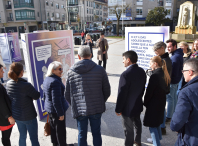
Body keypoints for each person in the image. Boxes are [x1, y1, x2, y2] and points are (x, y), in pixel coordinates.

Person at [65, 46, 111, 146]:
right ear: (90, 55)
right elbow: (107, 90)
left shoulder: (70, 72)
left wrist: (75, 104)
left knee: (81, 134)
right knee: (96, 133)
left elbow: (67, 94)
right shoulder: (100, 69)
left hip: (80, 110)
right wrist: (101, 101)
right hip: (96, 108)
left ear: (78, 56)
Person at [115, 50, 146, 146]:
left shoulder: (125, 74)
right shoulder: (142, 71)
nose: (122, 61)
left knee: (128, 129)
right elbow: (142, 89)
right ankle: (137, 140)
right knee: (137, 123)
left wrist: (118, 109)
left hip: (127, 108)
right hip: (138, 104)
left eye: (123, 59)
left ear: (128, 60)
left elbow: (122, 94)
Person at [6, 62, 40, 146]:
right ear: (21, 72)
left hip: (17, 116)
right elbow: (36, 96)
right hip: (29, 116)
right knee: (34, 138)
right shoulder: (26, 85)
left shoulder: (8, 84)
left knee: (22, 136)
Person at [43, 61, 72, 146]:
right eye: (60, 69)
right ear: (53, 70)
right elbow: (56, 100)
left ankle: (55, 144)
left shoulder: (47, 79)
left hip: (51, 109)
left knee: (53, 128)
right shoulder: (55, 81)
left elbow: (45, 96)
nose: (62, 71)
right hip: (57, 111)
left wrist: (48, 107)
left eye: (62, 68)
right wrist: (60, 114)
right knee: (60, 130)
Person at [144, 56, 171, 146]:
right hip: (161, 102)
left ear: (155, 64)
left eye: (150, 63)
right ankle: (158, 138)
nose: (149, 65)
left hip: (153, 103)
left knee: (152, 125)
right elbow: (167, 90)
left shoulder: (154, 76)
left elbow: (149, 92)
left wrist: (145, 102)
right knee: (157, 122)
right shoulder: (164, 73)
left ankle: (156, 143)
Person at [170, 58, 198, 146]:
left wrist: (174, 126)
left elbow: (179, 118)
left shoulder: (186, 91)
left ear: (190, 72)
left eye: (183, 71)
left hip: (192, 137)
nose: (182, 73)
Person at [152, 41, 172, 135]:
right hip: (163, 87)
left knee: (161, 109)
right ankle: (162, 127)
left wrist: (153, 72)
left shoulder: (165, 61)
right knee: (162, 108)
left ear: (162, 48)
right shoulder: (165, 59)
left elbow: (161, 75)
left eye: (156, 50)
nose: (155, 52)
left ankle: (162, 127)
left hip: (161, 88)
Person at [166, 39, 183, 122]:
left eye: (169, 47)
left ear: (175, 46)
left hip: (173, 81)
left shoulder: (175, 57)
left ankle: (169, 116)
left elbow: (174, 72)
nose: (168, 48)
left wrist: (170, 80)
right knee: (174, 98)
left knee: (170, 98)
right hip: (177, 80)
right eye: (167, 47)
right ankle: (174, 112)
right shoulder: (177, 54)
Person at [0, 64, 15, 146]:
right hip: (4, 118)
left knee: (5, 137)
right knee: (6, 137)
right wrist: (9, 117)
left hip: (3, 117)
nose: (3, 71)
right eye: (1, 70)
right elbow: (1, 104)